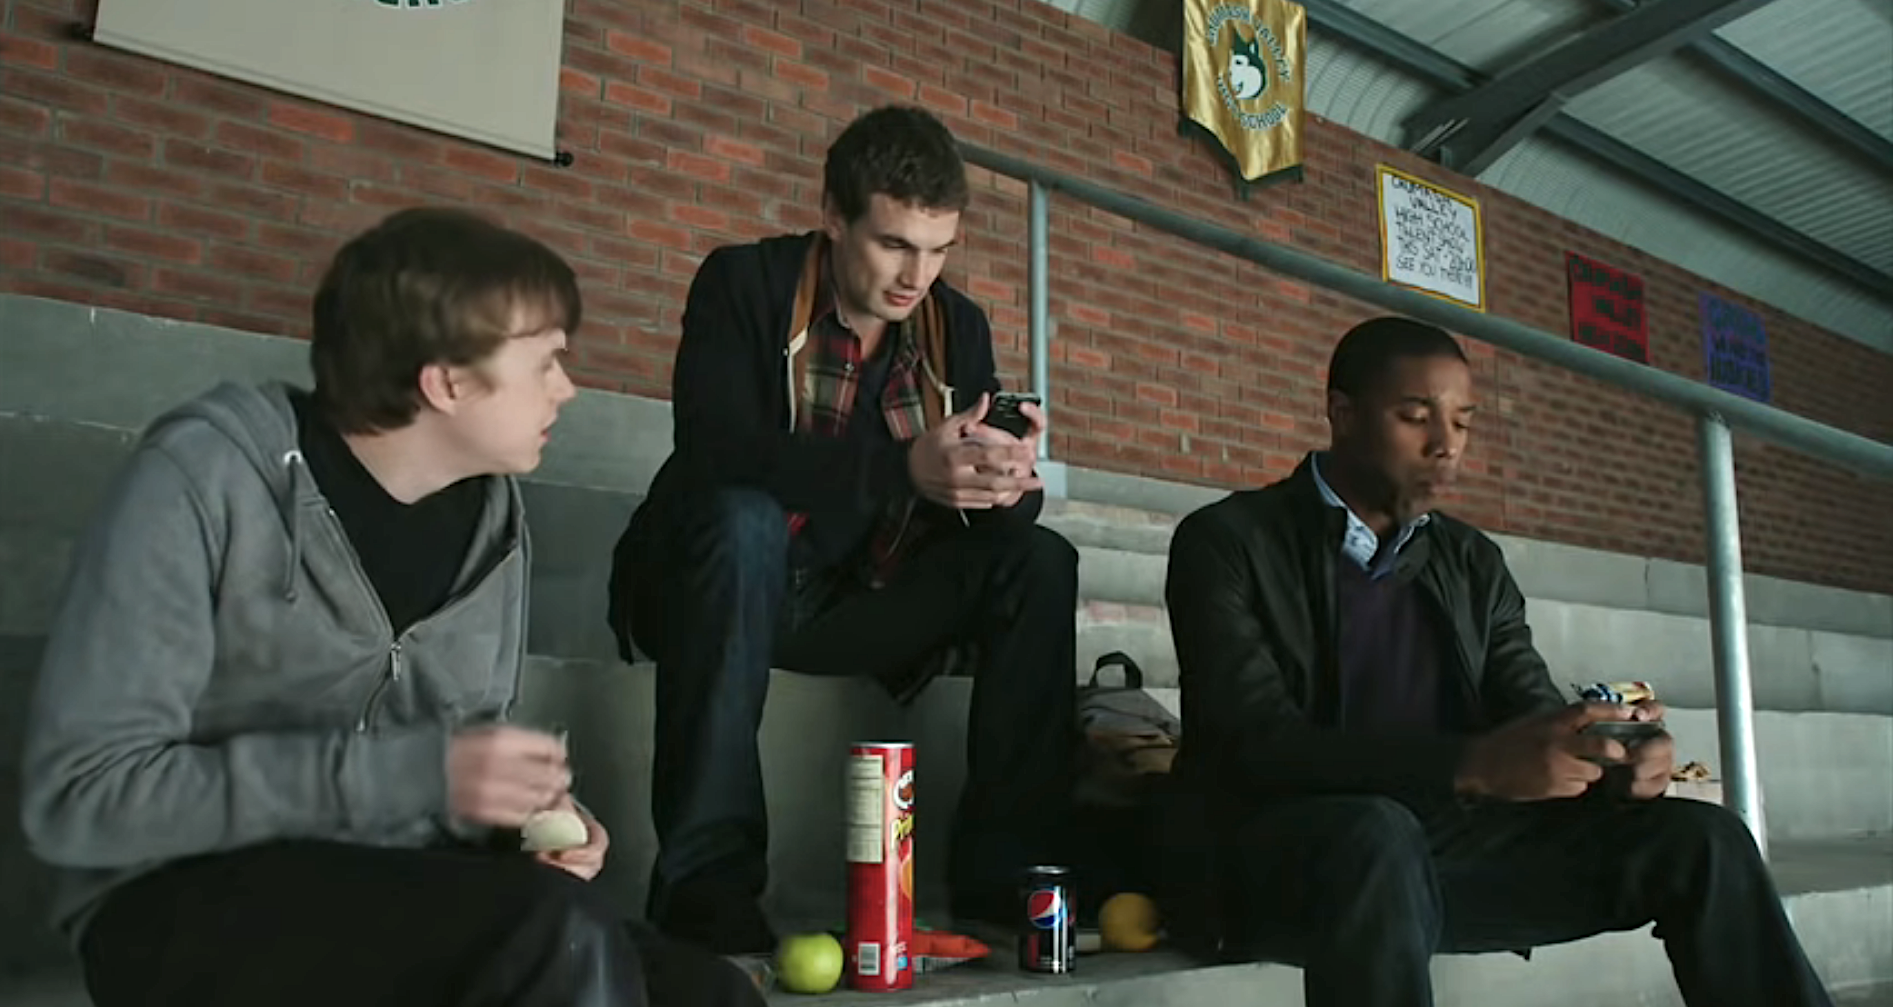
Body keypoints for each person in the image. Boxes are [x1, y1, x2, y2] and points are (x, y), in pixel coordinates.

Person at [19, 207, 761, 1007]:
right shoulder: (206, 478)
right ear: (445, 381)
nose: (568, 387)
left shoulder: (493, 522)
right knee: (554, 933)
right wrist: (419, 775)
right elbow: (83, 796)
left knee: (706, 989)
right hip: (175, 901)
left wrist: (524, 813)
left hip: (396, 887)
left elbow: (448, 767)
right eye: (545, 361)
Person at [1158, 316, 1834, 1007]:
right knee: (1373, 830)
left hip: (1454, 854)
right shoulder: (1226, 541)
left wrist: (1608, 755)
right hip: (1282, 863)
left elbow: (1528, 707)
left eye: (1463, 422)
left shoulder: (1470, 560)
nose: (1445, 445)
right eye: (1414, 416)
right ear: (1341, 413)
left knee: (1704, 837)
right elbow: (1254, 744)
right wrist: (1470, 764)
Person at [607, 105, 1078, 955]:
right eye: (895, 244)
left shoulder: (953, 325)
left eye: (938, 249)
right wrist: (902, 466)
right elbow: (714, 452)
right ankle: (705, 882)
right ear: (832, 215)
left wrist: (1007, 485)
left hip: (858, 596)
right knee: (741, 516)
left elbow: (967, 484)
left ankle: (1002, 865)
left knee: (1040, 558)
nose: (916, 275)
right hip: (719, 580)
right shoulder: (743, 283)